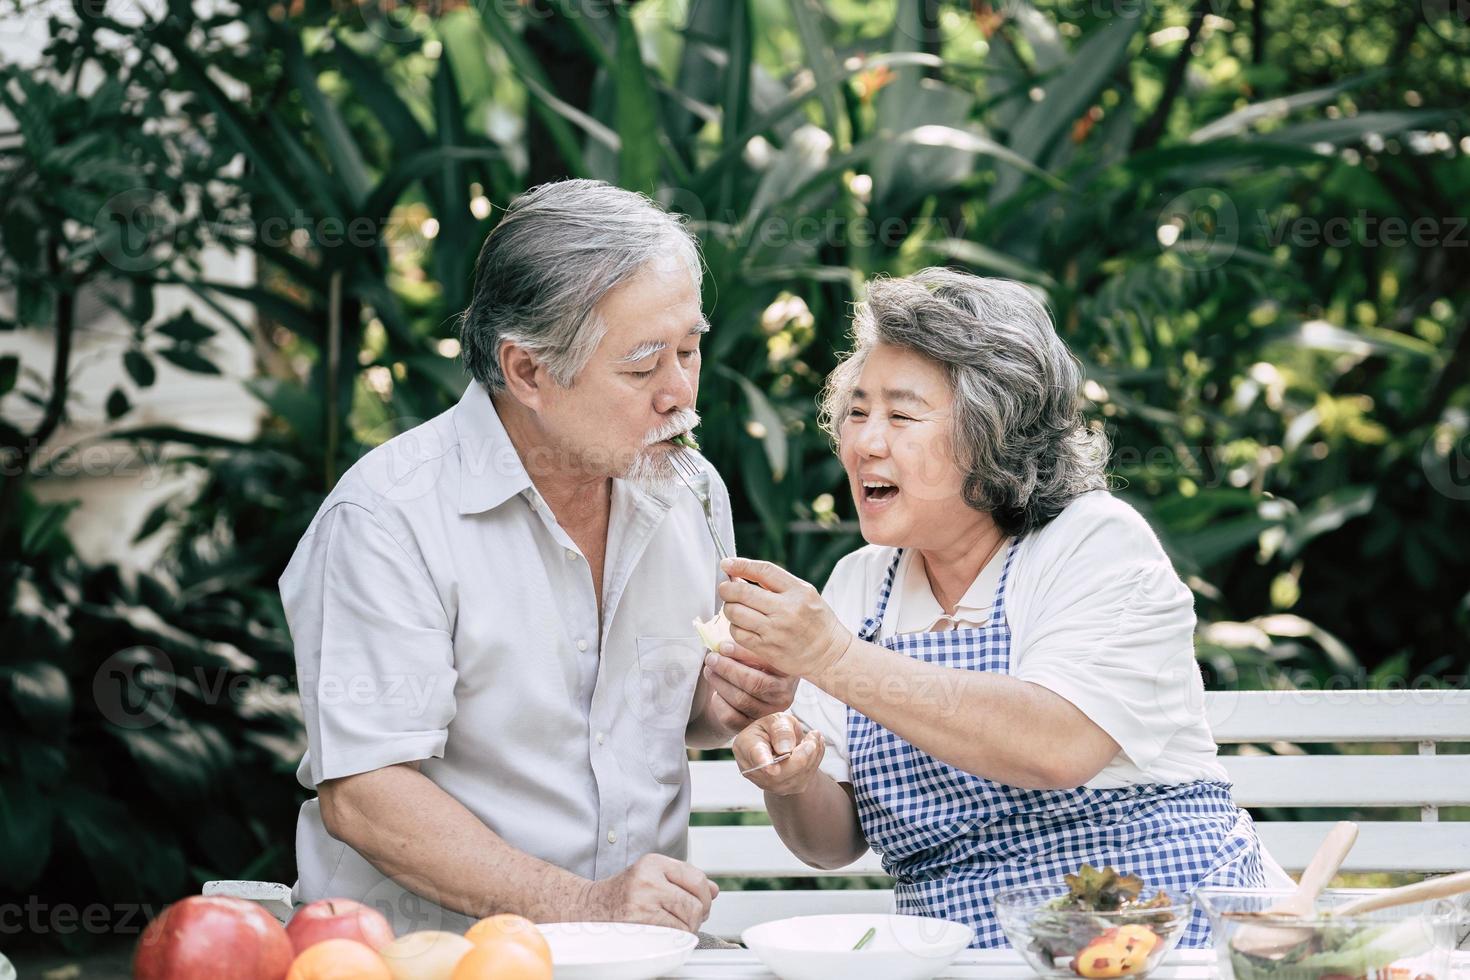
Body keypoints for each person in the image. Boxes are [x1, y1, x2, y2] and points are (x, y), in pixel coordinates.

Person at [280, 180, 796, 935]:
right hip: (435, 959)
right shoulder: (388, 519)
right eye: (643, 365)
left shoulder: (690, 491)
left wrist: (736, 699)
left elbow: (678, 711)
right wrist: (579, 906)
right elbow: (366, 793)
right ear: (527, 372)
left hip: (638, 958)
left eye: (690, 350)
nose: (681, 392)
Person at [717, 268, 1282, 948]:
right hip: (962, 956)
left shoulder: (1093, 542)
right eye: (857, 411)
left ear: (993, 437)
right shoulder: (859, 588)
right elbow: (830, 842)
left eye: (900, 415)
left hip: (1161, 938)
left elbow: (1057, 744)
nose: (865, 442)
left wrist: (833, 658)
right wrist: (792, 779)